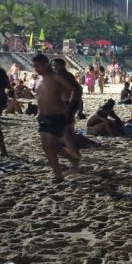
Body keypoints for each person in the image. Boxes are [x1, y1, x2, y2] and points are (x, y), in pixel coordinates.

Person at [33, 54, 82, 182]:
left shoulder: (56, 77)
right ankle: (72, 160)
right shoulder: (38, 79)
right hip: (44, 116)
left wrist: (69, 105)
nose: (36, 69)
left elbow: (74, 89)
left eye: (38, 66)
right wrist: (39, 112)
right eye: (35, 66)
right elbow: (40, 97)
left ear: (46, 64)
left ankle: (58, 175)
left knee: (51, 145)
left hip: (57, 115)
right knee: (46, 146)